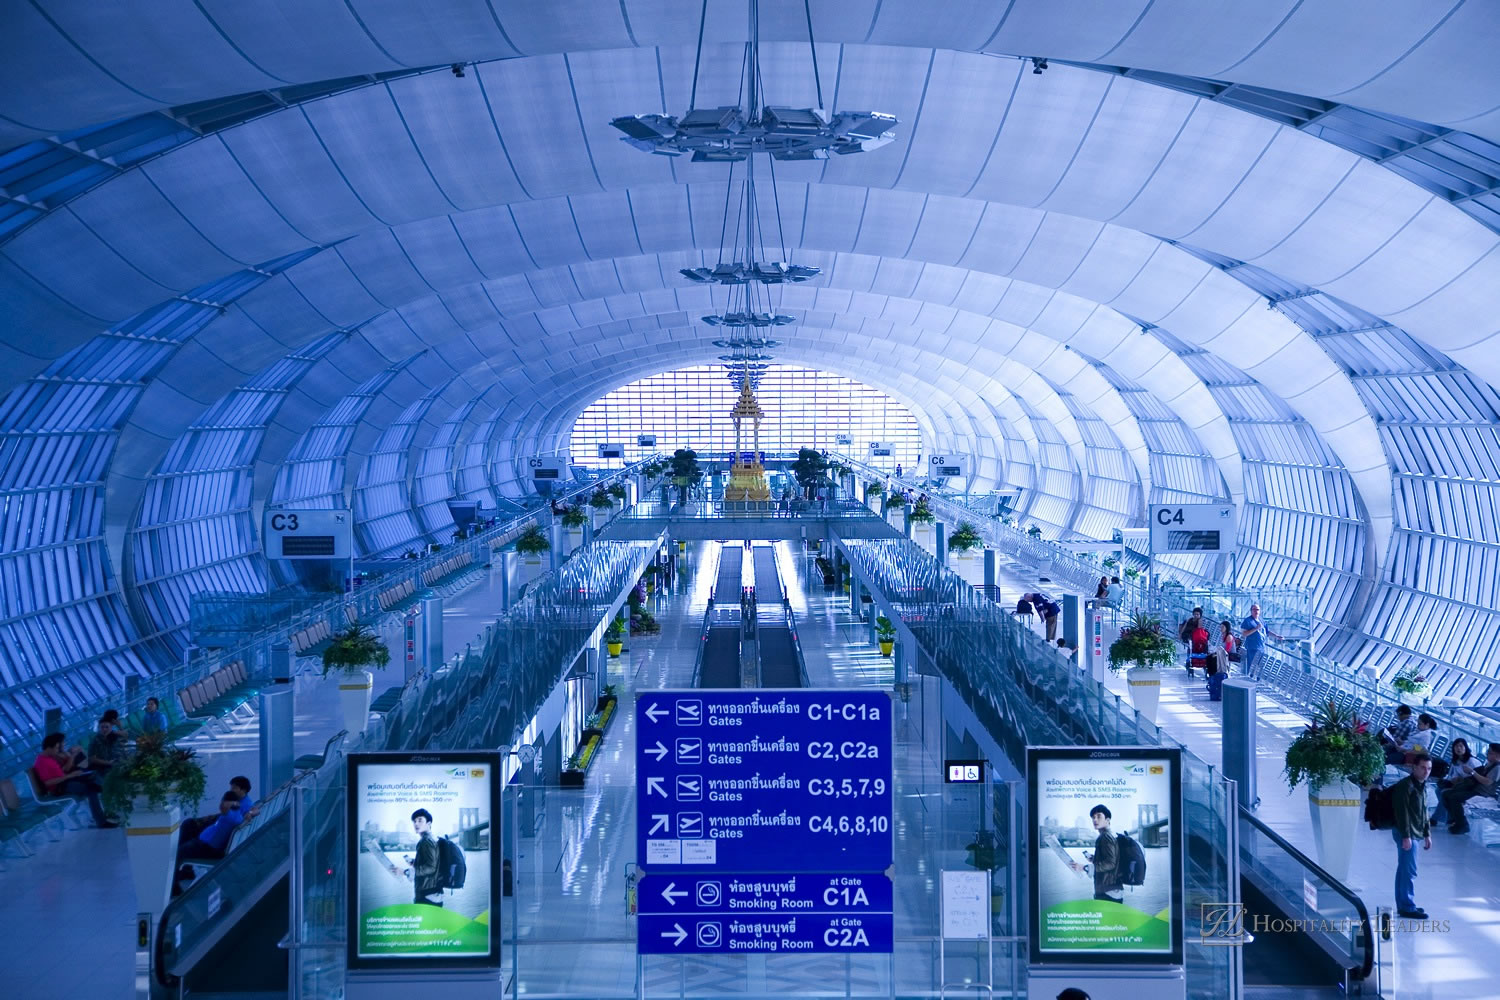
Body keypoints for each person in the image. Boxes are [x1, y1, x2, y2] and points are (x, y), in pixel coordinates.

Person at [33, 733, 113, 827]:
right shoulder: (42, 762)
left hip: (67, 781)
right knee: (92, 788)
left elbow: (62, 771)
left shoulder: (49, 757)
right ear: (49, 748)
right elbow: (47, 783)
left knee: (94, 779)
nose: (57, 750)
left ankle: (107, 809)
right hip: (60, 787)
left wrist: (71, 774)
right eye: (56, 748)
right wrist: (69, 776)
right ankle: (101, 821)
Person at [1391, 755, 1433, 919]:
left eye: (1429, 768)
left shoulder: (1422, 786)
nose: (1426, 772)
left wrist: (1427, 833)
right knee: (1409, 870)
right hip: (1406, 832)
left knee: (1404, 869)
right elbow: (1402, 814)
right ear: (1413, 767)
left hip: (1415, 832)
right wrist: (1406, 836)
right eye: (1423, 768)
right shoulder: (1405, 786)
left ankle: (1404, 905)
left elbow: (1424, 811)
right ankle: (1407, 906)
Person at [1439, 742, 1500, 835]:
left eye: (1490, 752)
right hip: (1475, 789)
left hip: (1483, 793)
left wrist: (1472, 772)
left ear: (1497, 755)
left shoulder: (1497, 767)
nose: (1487, 753)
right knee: (1446, 794)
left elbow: (1487, 782)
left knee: (1454, 797)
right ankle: (1456, 819)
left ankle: (1462, 825)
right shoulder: (1490, 764)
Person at [1068, 804, 1121, 903]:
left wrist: (1084, 867)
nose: (1095, 820)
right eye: (1093, 817)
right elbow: (1111, 859)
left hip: (1108, 892)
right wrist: (1095, 858)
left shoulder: (1105, 837)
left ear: (1108, 820)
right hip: (1112, 889)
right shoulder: (1109, 835)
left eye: (1099, 816)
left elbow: (1111, 863)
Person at [177, 794, 246, 862]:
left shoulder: (230, 817)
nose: (222, 803)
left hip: (207, 847)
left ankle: (176, 869)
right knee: (188, 825)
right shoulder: (235, 814)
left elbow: (223, 808)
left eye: (225, 801)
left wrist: (230, 803)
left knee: (180, 852)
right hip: (205, 843)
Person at [1432, 738, 1476, 825]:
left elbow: (1475, 779)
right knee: (1438, 790)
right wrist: (1454, 779)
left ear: (1465, 748)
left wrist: (1460, 780)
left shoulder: (1472, 762)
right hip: (1459, 785)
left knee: (1445, 793)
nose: (1458, 748)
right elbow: (1453, 774)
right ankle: (1450, 816)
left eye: (1461, 746)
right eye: (1456, 746)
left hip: (1470, 788)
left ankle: (1435, 818)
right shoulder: (1456, 761)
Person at [404, 808, 443, 906]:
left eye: (420, 820)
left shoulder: (425, 841)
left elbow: (431, 868)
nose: (416, 823)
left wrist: (406, 871)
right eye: (414, 821)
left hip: (426, 895)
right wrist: (414, 862)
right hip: (434, 893)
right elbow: (432, 862)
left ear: (429, 823)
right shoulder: (433, 838)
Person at [1240, 604, 1270, 678]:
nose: (1256, 611)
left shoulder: (1261, 620)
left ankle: (1258, 680)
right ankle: (1249, 678)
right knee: (1251, 665)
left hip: (1261, 647)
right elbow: (1244, 633)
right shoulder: (1248, 621)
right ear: (1251, 611)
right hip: (1252, 647)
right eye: (1254, 609)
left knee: (1260, 666)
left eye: (1257, 610)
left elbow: (1267, 631)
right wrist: (1256, 628)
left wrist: (1276, 636)